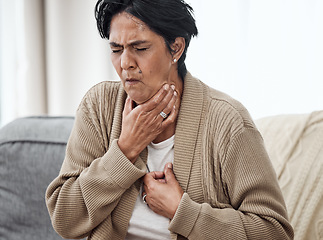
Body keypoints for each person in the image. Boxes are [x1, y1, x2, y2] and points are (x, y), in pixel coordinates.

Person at [46, 0, 294, 239]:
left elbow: (273, 232)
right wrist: (124, 151)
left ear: (176, 48)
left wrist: (183, 212)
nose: (125, 64)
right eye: (116, 49)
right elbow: (64, 220)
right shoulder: (99, 107)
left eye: (140, 48)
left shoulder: (227, 122)